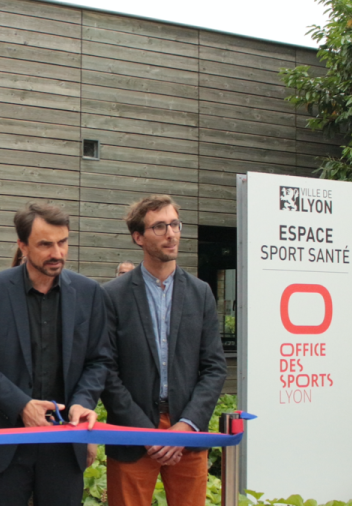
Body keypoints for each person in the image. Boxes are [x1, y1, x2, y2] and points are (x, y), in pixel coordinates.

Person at [0, 203, 108, 506]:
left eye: (63, 242)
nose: (58, 252)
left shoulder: (89, 292)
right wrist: (21, 405)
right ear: (22, 245)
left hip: (64, 441)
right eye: (45, 244)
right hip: (6, 438)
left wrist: (82, 403)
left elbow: (99, 360)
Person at [99, 195, 227, 506]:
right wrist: (146, 431)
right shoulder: (111, 296)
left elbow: (214, 367)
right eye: (159, 227)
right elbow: (105, 368)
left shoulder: (201, 293)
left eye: (174, 224)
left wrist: (186, 426)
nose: (171, 233)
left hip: (188, 431)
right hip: (133, 431)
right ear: (138, 237)